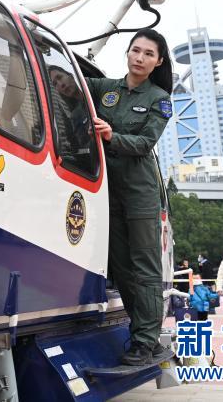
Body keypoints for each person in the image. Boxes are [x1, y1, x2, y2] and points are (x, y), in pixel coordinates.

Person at [86, 28, 173, 366]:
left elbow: (145, 143)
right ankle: (143, 335)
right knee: (122, 269)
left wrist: (111, 136)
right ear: (127, 52)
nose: (140, 58)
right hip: (107, 192)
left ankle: (145, 342)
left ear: (158, 62)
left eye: (148, 54)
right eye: (135, 50)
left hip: (140, 193)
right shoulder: (106, 88)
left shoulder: (159, 99)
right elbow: (67, 82)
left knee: (145, 270)